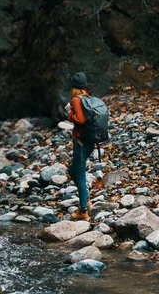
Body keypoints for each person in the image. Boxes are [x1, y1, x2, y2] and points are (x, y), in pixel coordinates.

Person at [65, 72, 95, 221]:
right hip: (89, 142)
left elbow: (80, 120)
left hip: (81, 143)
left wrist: (69, 113)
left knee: (80, 174)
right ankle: (86, 200)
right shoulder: (88, 98)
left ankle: (83, 210)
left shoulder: (76, 100)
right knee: (73, 170)